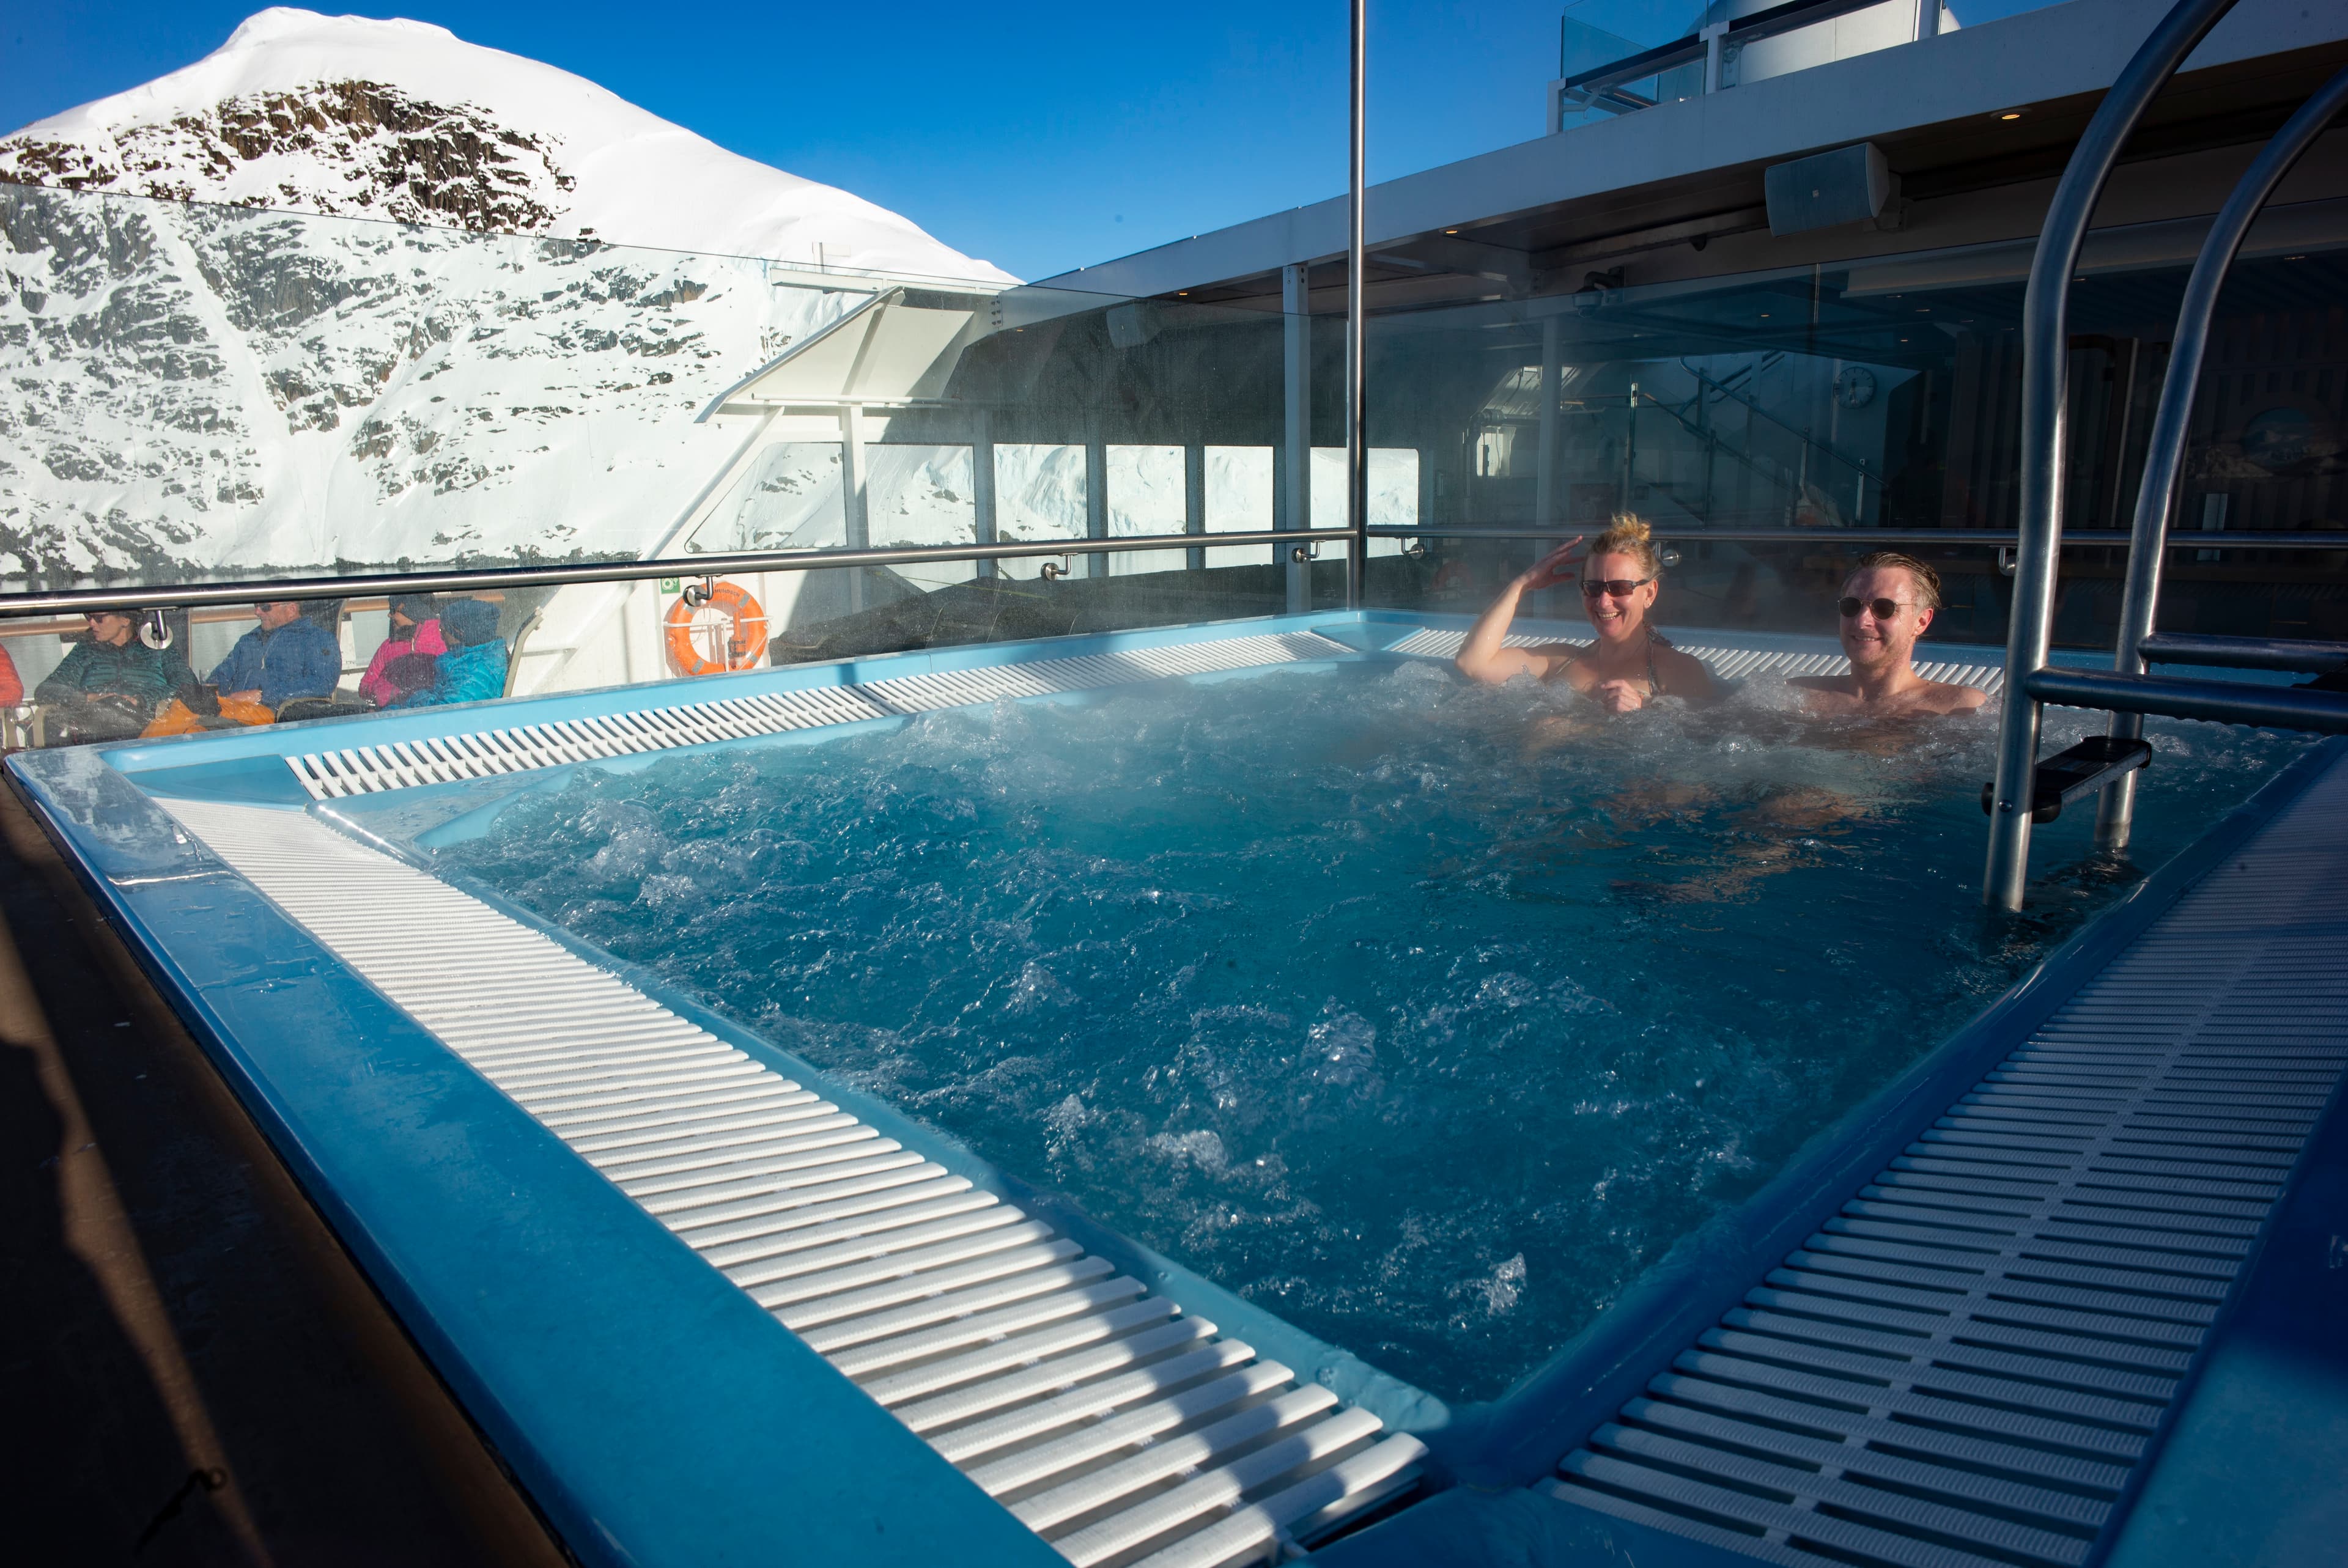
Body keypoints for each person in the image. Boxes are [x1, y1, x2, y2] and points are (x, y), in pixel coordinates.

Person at [1455, 516, 1714, 712]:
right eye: (1593, 588)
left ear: (1649, 594)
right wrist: (1520, 586)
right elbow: (1472, 663)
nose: (1603, 601)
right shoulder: (1560, 661)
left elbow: (1711, 738)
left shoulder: (1676, 671)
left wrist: (1644, 712)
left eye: (1620, 587)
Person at [1791, 552, 1988, 717]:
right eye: (1851, 605)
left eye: (1884, 608)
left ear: (1920, 622)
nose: (1862, 621)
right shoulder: (1794, 696)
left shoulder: (1960, 708)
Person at [33, 609, 196, 741]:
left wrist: (141, 700)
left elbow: (188, 685)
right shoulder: (86, 650)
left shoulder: (157, 647)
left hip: (147, 734)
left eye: (98, 618)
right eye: (88, 616)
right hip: (95, 734)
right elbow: (45, 690)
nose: (91, 623)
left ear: (125, 620)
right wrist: (88, 698)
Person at [208, 600, 342, 712]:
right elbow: (222, 674)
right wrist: (211, 693)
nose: (257, 612)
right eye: (256, 605)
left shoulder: (317, 639)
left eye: (265, 607)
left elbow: (321, 684)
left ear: (291, 609)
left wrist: (261, 695)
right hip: (228, 713)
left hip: (271, 720)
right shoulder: (249, 640)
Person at [391, 598, 507, 708]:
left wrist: (416, 699)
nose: (441, 635)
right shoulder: (467, 660)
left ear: (458, 632)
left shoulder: (477, 673)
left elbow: (443, 715)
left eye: (442, 629)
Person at [357, 594, 445, 708]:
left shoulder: (444, 640)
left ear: (410, 611)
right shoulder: (388, 646)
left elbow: (451, 681)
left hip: (433, 712)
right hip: (395, 714)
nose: (389, 615)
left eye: (394, 610)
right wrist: (384, 691)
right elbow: (365, 687)